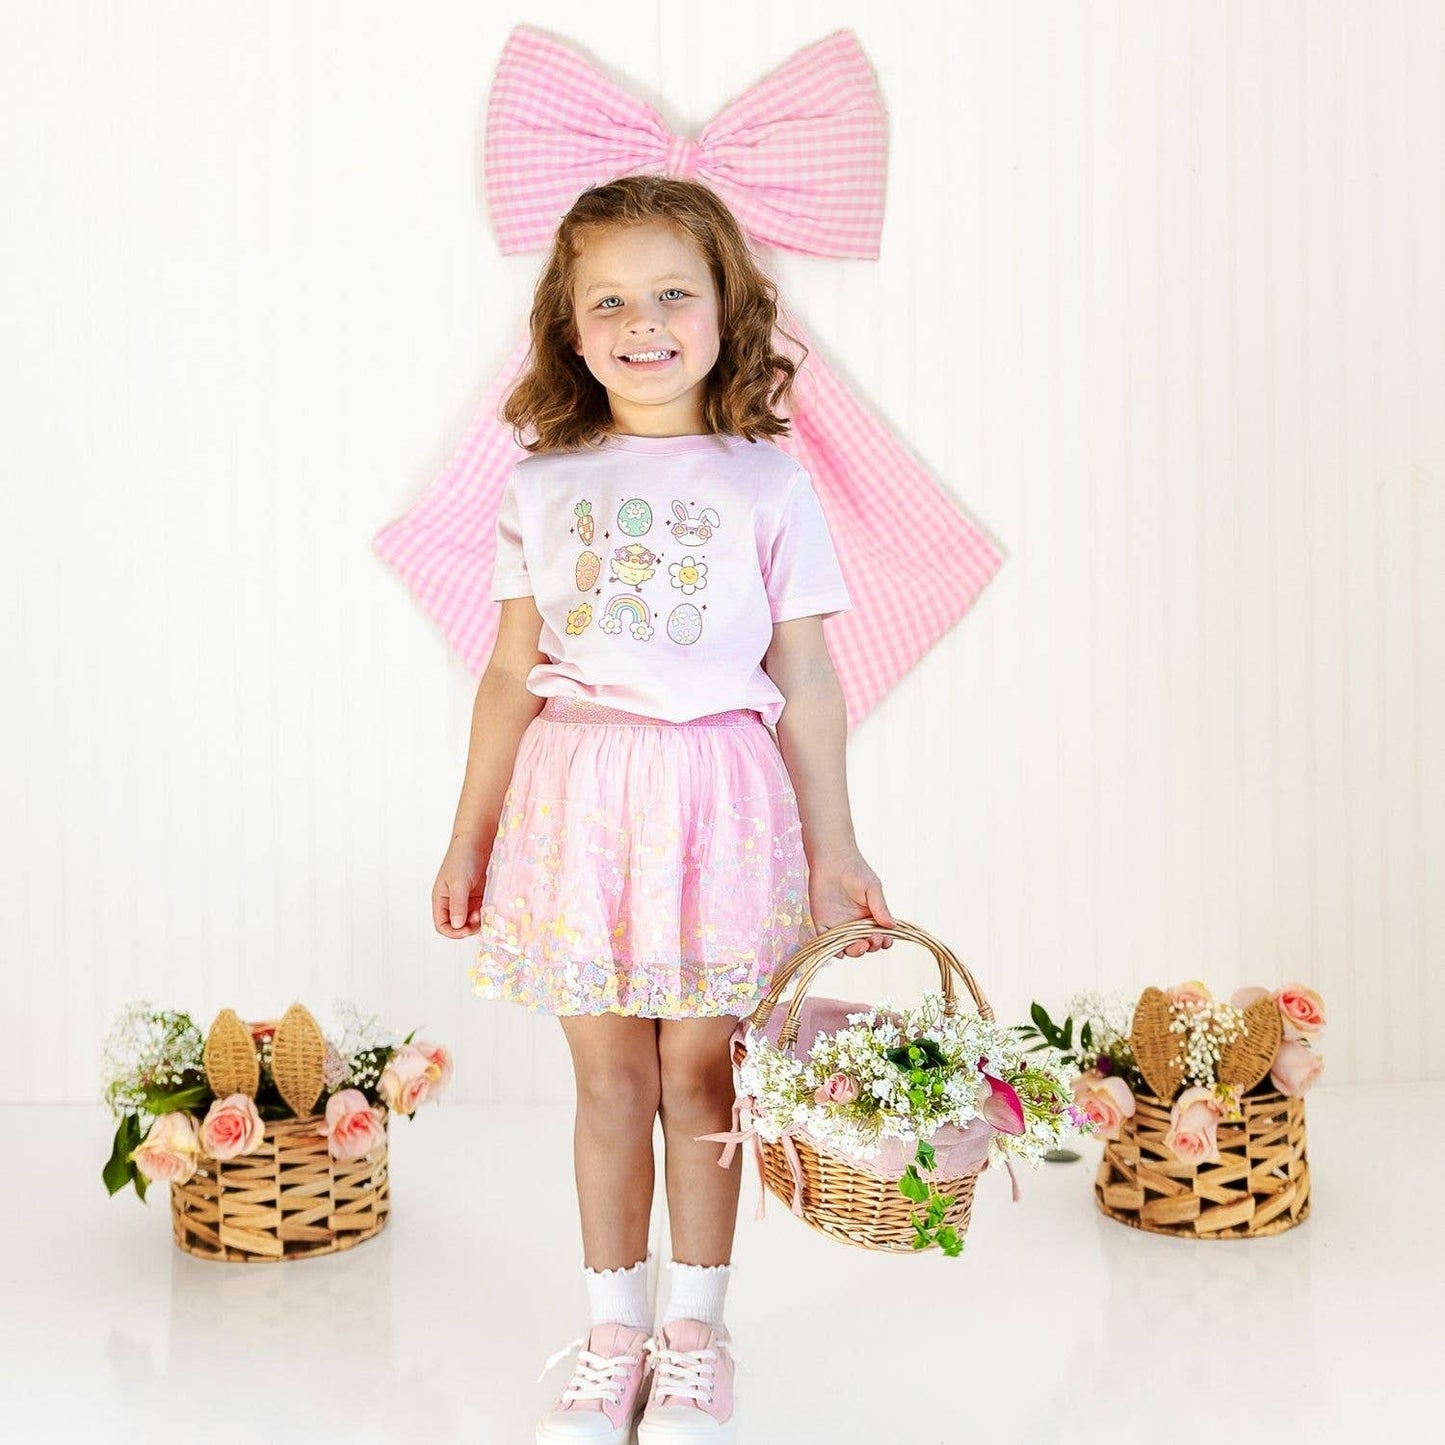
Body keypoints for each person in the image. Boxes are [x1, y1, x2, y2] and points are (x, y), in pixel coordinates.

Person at [431, 173, 894, 1445]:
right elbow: (505, 673)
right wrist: (470, 829)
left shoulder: (767, 479)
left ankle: (695, 1334)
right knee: (605, 1077)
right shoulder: (541, 482)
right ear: (568, 327)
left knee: (701, 1071)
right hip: (579, 802)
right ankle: (610, 1334)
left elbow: (804, 675)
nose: (643, 321)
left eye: (672, 293)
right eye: (610, 300)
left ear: (727, 308)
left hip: (717, 800)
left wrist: (834, 845)